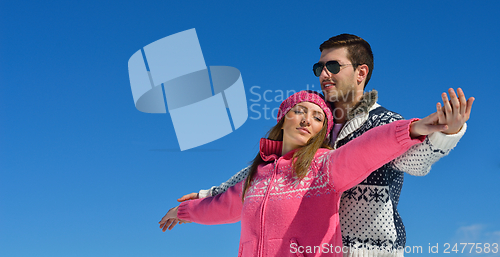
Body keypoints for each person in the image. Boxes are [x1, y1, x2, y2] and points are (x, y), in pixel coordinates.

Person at [174, 34, 474, 257]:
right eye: (319, 68)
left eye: (333, 65)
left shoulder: (385, 121)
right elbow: (269, 173)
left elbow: (415, 162)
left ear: (361, 72)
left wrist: (447, 132)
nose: (324, 74)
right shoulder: (316, 125)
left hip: (368, 250)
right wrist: (210, 194)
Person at [160, 90, 452, 257]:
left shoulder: (324, 167)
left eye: (317, 118)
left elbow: (368, 148)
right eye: (299, 111)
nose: (306, 120)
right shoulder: (257, 175)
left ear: (321, 132)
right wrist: (181, 212)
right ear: (284, 117)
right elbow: (220, 206)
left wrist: (414, 128)